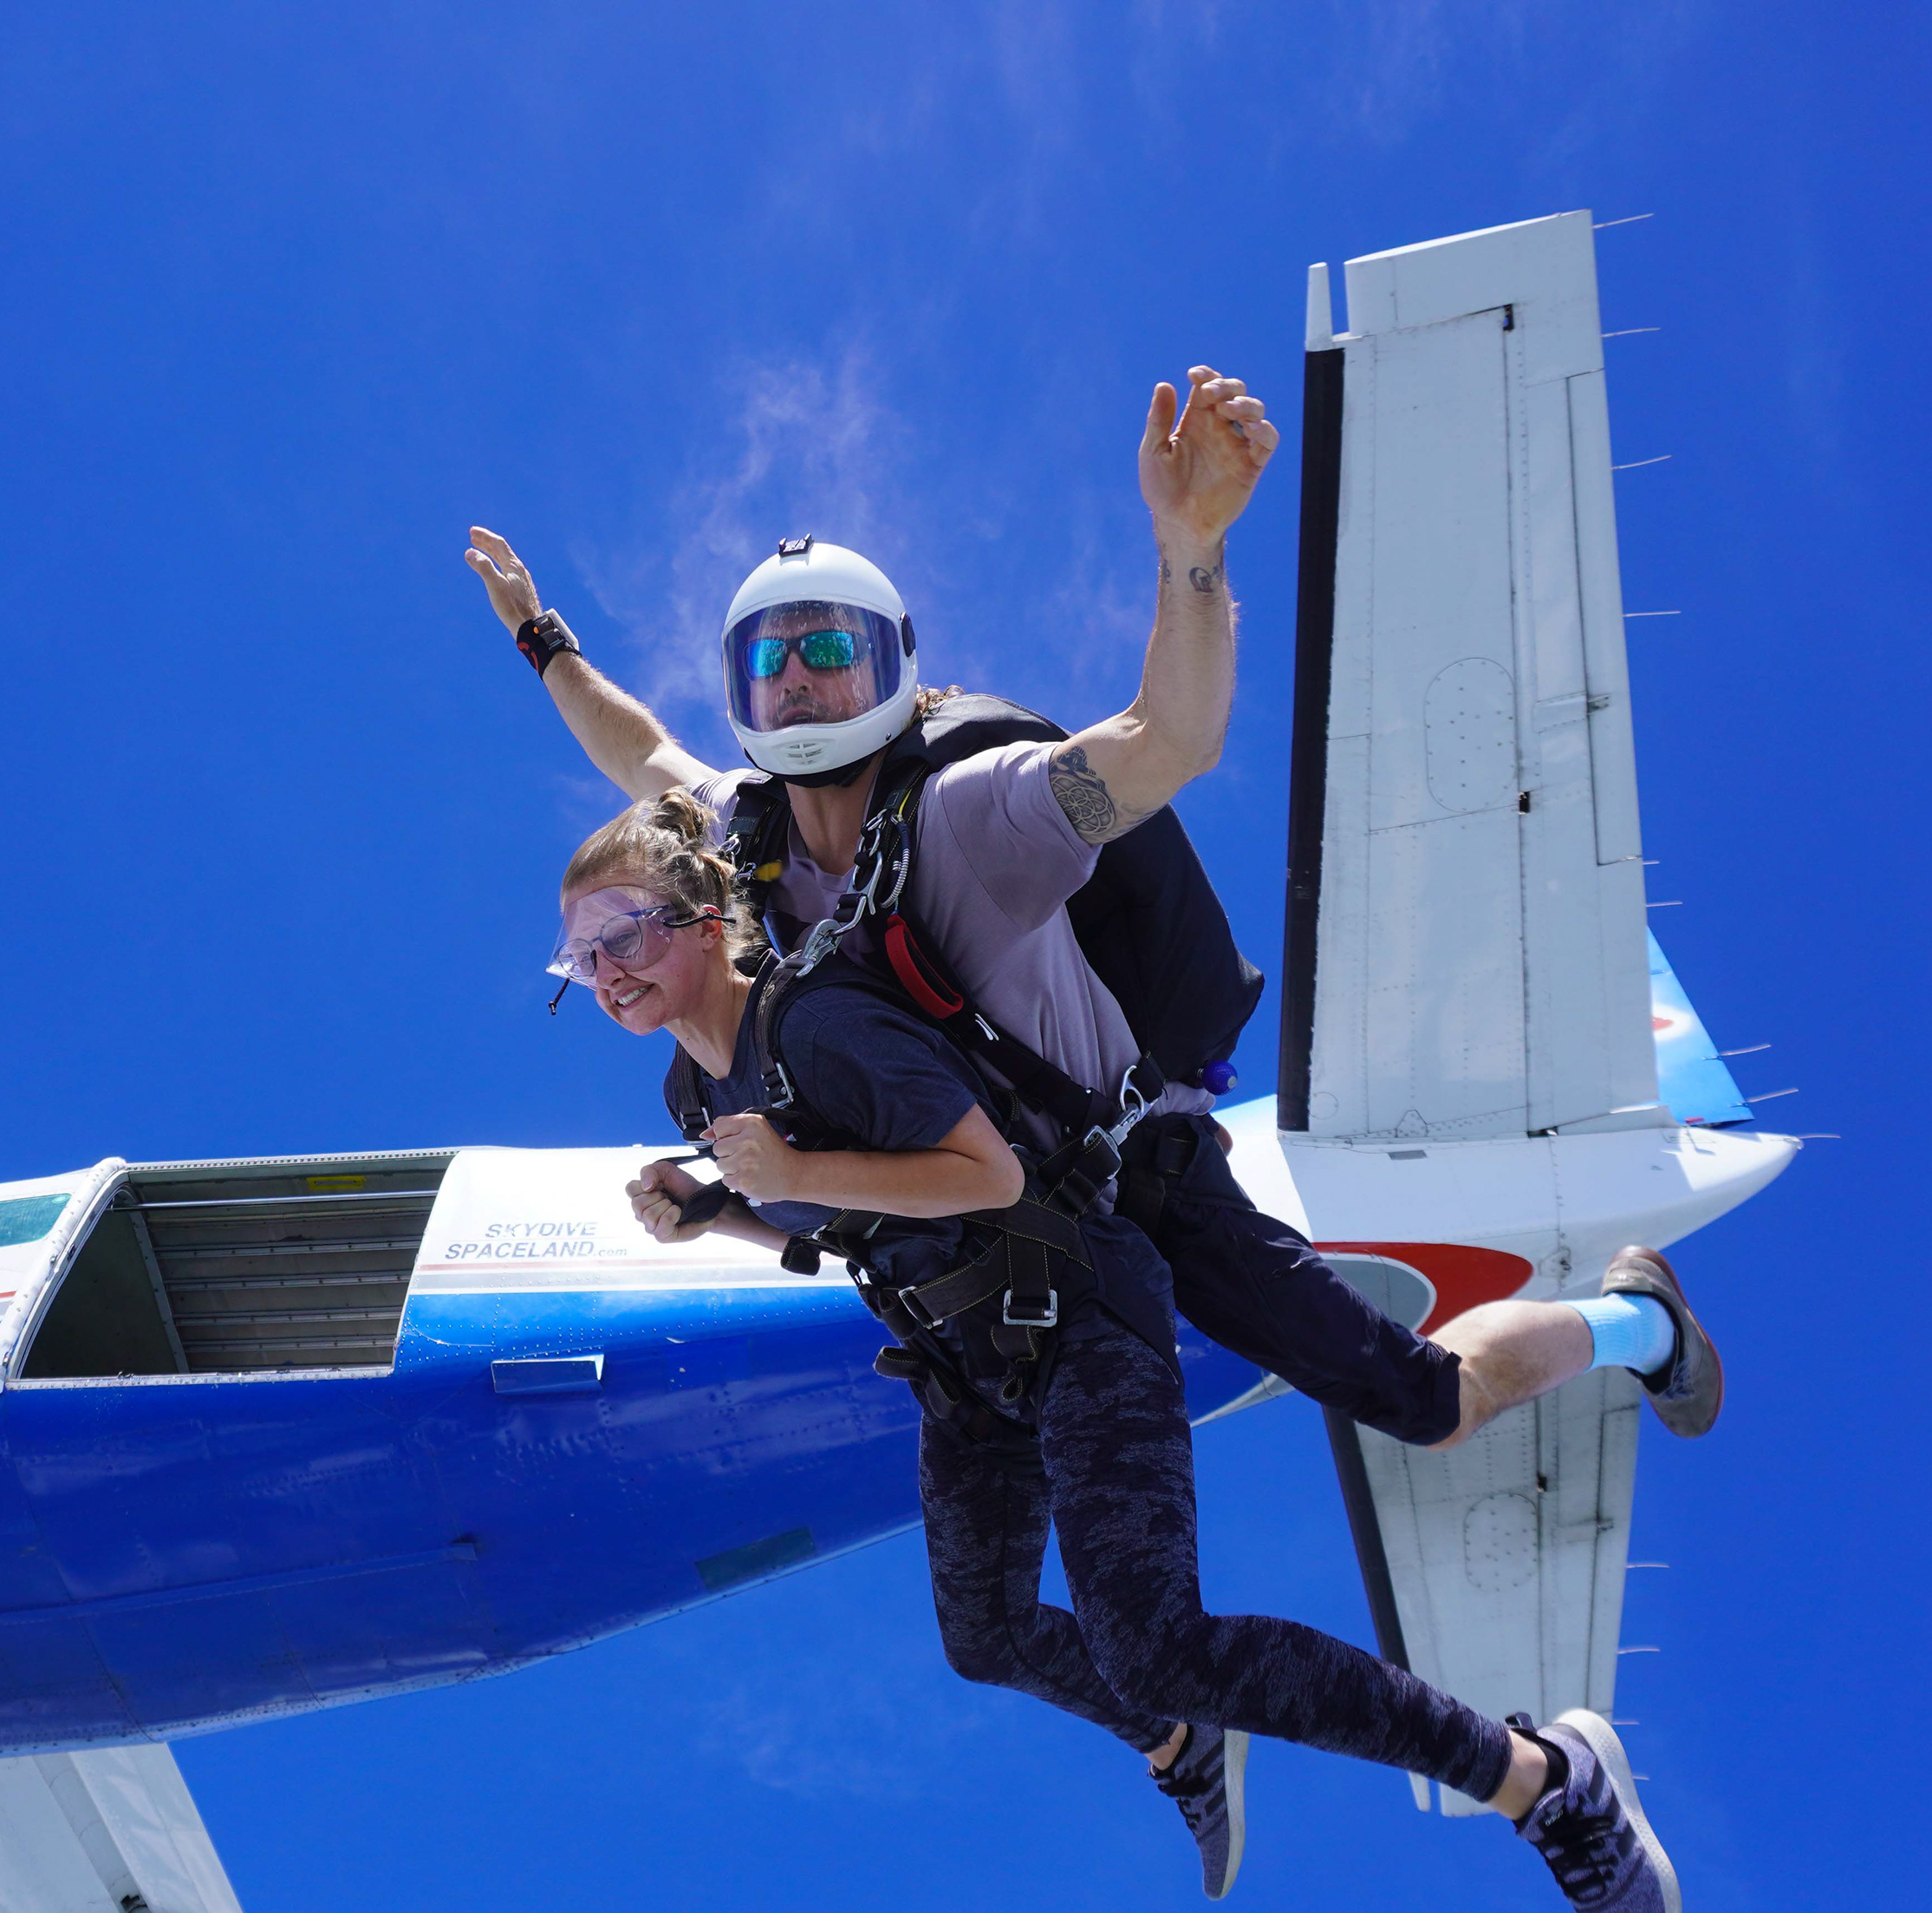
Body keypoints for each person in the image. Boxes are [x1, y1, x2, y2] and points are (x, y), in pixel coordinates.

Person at [465, 365, 1722, 1465]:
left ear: (892, 663)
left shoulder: (978, 815)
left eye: (829, 650)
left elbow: (1165, 739)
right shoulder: (740, 836)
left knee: (1427, 1404)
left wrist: (1191, 547)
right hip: (1006, 1218)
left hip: (1138, 1177)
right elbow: (636, 750)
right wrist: (539, 637)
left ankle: (1633, 1321)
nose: (796, 676)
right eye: (768, 657)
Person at [548, 791, 1681, 1913]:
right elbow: (853, 1225)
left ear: (706, 915)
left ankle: (1546, 1779)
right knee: (986, 1637)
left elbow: (985, 1176)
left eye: (625, 931)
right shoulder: (693, 1097)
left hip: (1076, 1308)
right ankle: (1183, 1737)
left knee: (1158, 1637)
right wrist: (722, 1216)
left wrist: (788, 1167)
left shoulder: (817, 1023)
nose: (606, 969)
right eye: (579, 955)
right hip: (965, 1365)